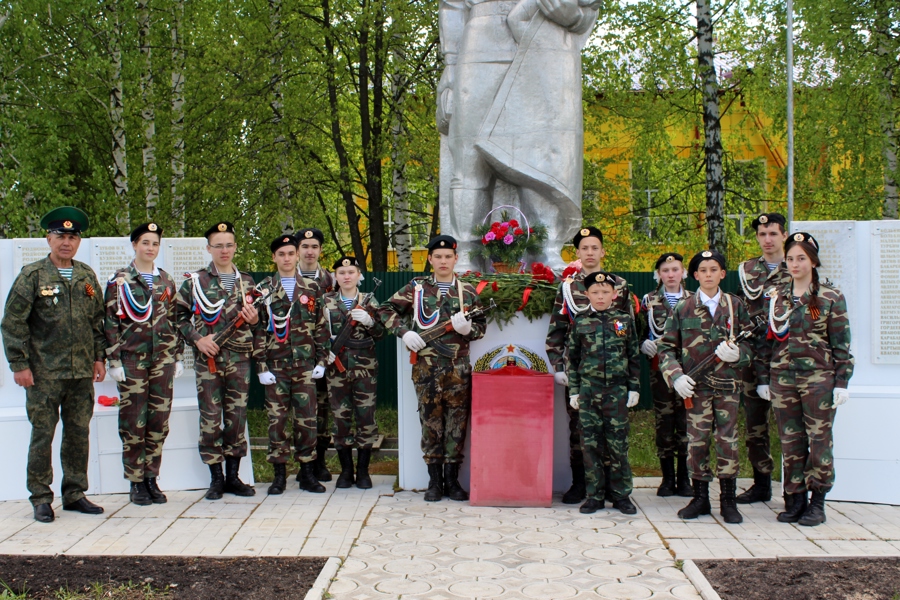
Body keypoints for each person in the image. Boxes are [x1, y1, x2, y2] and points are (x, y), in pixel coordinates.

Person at [437, 0, 601, 270]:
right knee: (469, 156)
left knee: (538, 153)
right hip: (479, 44)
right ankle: (467, 254)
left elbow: (584, 9)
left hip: (544, 41)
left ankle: (545, 250)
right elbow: (452, 6)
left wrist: (575, 18)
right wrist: (451, 67)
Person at [1, 206, 107, 523]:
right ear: (48, 238)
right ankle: (41, 497)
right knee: (42, 436)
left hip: (80, 374)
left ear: (78, 241)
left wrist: (99, 357)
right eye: (60, 235)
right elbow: (13, 323)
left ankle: (74, 493)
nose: (66, 242)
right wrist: (19, 364)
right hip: (44, 374)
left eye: (72, 236)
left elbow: (98, 321)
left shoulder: (87, 275)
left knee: (77, 435)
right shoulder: (32, 276)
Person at [377, 235, 487, 501]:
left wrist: (468, 329)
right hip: (426, 369)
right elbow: (384, 310)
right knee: (430, 423)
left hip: (457, 368)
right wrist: (403, 333)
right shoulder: (416, 289)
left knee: (457, 424)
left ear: (455, 259)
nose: (443, 261)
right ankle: (434, 481)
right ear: (429, 259)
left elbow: (481, 328)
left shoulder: (468, 291)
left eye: (448, 256)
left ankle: (453, 481)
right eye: (438, 257)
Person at [760, 232, 853, 526]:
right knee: (790, 441)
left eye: (801, 258)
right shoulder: (776, 296)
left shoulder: (830, 297)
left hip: (818, 379)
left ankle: (818, 502)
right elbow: (767, 343)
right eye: (790, 259)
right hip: (783, 378)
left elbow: (841, 345)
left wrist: (841, 382)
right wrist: (764, 378)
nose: (795, 264)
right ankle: (795, 499)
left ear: (813, 261)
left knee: (820, 441)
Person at [657, 250, 752, 524]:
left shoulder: (736, 306)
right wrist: (675, 376)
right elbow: (665, 349)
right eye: (703, 270)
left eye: (714, 269)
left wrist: (739, 354)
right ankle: (700, 498)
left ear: (722, 273)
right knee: (696, 442)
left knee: (727, 441)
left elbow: (752, 345)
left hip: (727, 387)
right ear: (695, 275)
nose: (708, 274)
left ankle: (728, 500)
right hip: (695, 389)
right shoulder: (683, 308)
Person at [546, 226, 635, 504]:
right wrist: (559, 366)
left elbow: (628, 330)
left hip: (614, 375)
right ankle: (581, 484)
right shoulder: (568, 287)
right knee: (580, 430)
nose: (590, 253)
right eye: (584, 248)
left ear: (603, 251)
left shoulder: (619, 285)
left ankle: (613, 487)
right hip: (581, 374)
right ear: (577, 253)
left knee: (613, 433)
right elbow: (557, 330)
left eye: (594, 247)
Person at [175, 221, 261, 500]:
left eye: (229, 245)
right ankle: (216, 478)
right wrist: (198, 339)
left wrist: (256, 319)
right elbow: (177, 317)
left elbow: (261, 322)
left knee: (236, 417)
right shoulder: (195, 281)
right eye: (218, 245)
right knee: (211, 419)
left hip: (239, 358)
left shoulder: (247, 281)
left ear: (235, 247)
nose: (224, 250)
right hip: (209, 359)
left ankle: (233, 477)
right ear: (209, 248)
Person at [103, 222, 184, 506]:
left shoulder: (166, 280)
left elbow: (175, 321)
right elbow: (111, 321)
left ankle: (152, 477)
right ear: (135, 245)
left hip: (162, 360)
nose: (150, 248)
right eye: (145, 243)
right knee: (133, 422)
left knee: (158, 422)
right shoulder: (120, 280)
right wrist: (114, 359)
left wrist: (177, 355)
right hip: (133, 361)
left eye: (155, 244)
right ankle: (135, 481)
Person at [254, 234, 329, 495]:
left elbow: (321, 326)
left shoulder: (311, 287)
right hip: (276, 366)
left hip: (305, 366)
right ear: (274, 257)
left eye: (290, 253)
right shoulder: (262, 289)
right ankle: (279, 475)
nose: (286, 258)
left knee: (307, 420)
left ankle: (307, 473)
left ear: (297, 256)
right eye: (281, 254)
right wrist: (261, 367)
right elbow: (258, 331)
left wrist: (321, 360)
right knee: (277, 421)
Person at [567, 271, 641, 515]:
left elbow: (633, 356)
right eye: (595, 293)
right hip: (589, 392)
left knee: (618, 445)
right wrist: (574, 392)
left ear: (614, 294)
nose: (600, 297)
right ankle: (594, 495)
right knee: (591, 446)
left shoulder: (624, 321)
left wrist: (634, 388)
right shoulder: (580, 321)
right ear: (586, 294)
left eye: (605, 292)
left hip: (616, 392)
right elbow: (573, 358)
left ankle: (621, 496)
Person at [734, 213, 791, 505]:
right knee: (755, 425)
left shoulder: (796, 265)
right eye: (762, 234)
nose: (767, 239)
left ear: (784, 235)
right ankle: (761, 483)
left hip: (788, 359)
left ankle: (795, 490)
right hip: (754, 359)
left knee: (791, 427)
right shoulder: (747, 270)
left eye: (772, 233)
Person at [323, 256, 386, 489]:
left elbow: (381, 334)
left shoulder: (370, 301)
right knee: (340, 418)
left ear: (359, 275)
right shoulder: (326, 301)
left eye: (351, 272)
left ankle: (363, 471)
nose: (346, 276)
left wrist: (370, 322)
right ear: (335, 277)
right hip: (336, 367)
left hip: (365, 368)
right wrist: (324, 353)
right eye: (341, 272)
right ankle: (346, 471)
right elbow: (316, 333)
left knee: (366, 417)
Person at [639, 253, 693, 498]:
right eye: (665, 270)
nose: (671, 275)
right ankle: (667, 478)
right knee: (664, 422)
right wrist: (643, 343)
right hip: (660, 371)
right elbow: (637, 331)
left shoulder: (695, 298)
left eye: (675, 269)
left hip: (689, 372)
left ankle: (684, 477)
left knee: (686, 423)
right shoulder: (648, 300)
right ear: (658, 275)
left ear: (683, 272)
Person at [296, 227, 336, 483]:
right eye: (305, 247)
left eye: (314, 247)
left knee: (323, 408)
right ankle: (303, 465)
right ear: (298, 250)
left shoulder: (331, 281)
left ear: (321, 250)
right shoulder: (285, 278)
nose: (310, 251)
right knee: (300, 410)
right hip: (297, 356)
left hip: (328, 354)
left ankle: (319, 460)